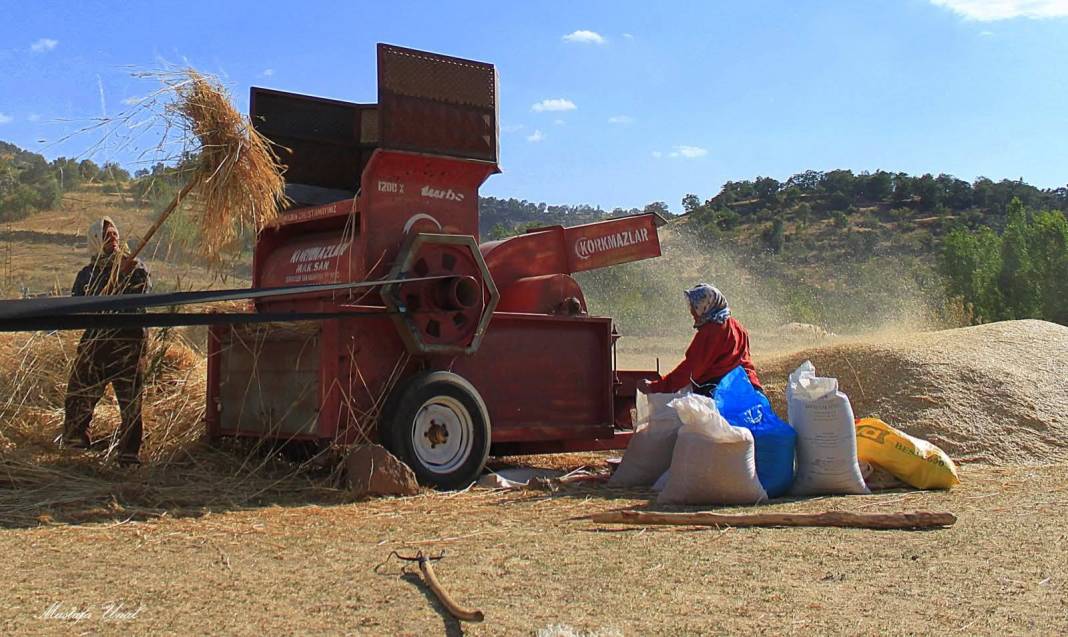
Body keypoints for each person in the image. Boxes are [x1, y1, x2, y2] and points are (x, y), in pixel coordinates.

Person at [59, 217, 151, 466]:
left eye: (115, 234)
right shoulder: (86, 274)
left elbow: (140, 294)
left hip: (127, 344)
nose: (114, 239)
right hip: (95, 345)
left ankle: (128, 457)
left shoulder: (135, 267)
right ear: (96, 241)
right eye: (107, 235)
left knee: (131, 404)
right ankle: (75, 448)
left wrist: (123, 275)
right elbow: (80, 304)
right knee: (78, 395)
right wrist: (108, 281)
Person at [640, 283, 763, 397]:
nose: (692, 312)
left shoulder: (712, 331)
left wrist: (656, 387)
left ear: (706, 306)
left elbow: (691, 369)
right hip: (750, 389)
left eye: (696, 307)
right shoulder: (736, 326)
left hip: (723, 394)